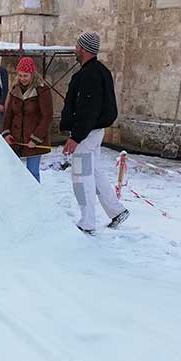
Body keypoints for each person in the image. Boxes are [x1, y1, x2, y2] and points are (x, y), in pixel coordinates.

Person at [60, 31, 129, 234]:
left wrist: (75, 137)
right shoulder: (100, 71)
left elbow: (87, 110)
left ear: (83, 49)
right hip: (93, 132)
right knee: (94, 173)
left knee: (81, 178)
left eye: (77, 46)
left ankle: (87, 221)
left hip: (86, 134)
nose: (75, 49)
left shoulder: (89, 75)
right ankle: (116, 210)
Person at [2, 56, 53, 182]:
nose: (22, 79)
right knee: (13, 173)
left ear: (32, 74)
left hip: (34, 141)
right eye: (20, 75)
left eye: (25, 76)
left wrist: (36, 138)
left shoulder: (42, 90)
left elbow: (47, 116)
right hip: (16, 139)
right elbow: (9, 114)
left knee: (32, 174)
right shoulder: (15, 90)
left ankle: (35, 201)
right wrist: (6, 133)